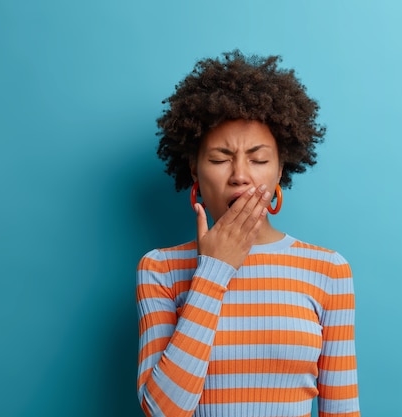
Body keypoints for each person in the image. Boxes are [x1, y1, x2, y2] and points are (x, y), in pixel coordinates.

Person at [136, 50, 360, 417]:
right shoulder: (159, 269)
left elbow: (342, 411)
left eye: (258, 160)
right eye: (220, 158)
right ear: (194, 169)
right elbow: (162, 412)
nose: (240, 174)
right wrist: (213, 271)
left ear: (279, 170)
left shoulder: (328, 270)